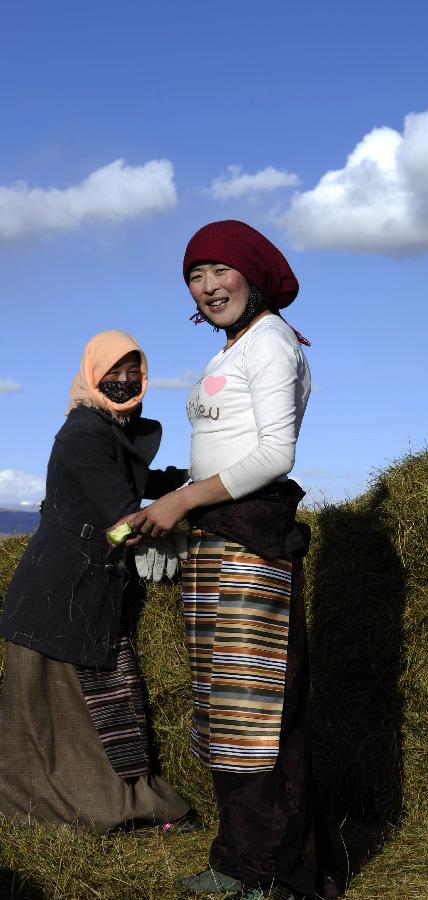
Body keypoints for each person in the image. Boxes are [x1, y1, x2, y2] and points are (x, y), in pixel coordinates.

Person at [122, 222, 339, 900]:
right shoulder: (236, 346)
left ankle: (278, 875)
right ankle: (238, 857)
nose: (208, 285)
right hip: (218, 535)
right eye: (195, 274)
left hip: (251, 537)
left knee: (256, 709)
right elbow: (227, 449)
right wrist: (164, 494)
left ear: (252, 272)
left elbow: (274, 456)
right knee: (222, 708)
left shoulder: (271, 342)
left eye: (220, 270)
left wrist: (181, 500)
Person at [0, 330, 197, 834]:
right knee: (69, 709)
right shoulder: (85, 432)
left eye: (134, 370)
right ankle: (95, 805)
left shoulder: (108, 430)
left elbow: (130, 481)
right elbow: (121, 513)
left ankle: (114, 798)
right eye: (114, 371)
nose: (125, 379)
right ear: (92, 374)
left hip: (84, 587)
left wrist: (188, 483)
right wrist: (170, 525)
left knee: (104, 700)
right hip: (61, 591)